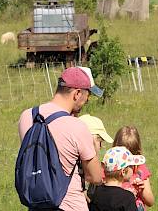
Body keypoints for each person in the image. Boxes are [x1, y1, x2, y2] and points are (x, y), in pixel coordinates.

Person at [18, 66, 105, 211]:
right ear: (77, 94)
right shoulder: (76, 126)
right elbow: (95, 177)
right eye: (87, 98)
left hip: (36, 204)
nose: (85, 103)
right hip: (69, 205)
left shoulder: (27, 116)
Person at [89, 146, 145, 211]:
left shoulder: (97, 193)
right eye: (131, 166)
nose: (133, 169)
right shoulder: (127, 198)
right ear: (123, 171)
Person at [113, 126, 155, 210]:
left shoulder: (140, 168)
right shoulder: (111, 167)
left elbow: (150, 202)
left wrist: (142, 191)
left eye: (132, 154)